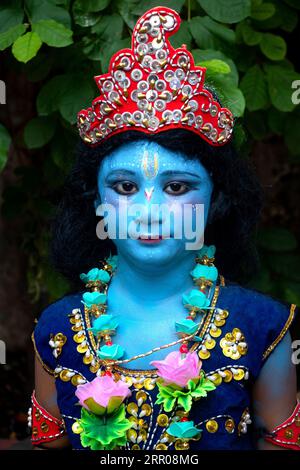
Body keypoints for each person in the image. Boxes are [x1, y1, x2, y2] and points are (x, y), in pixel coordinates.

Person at [29, 7, 299, 451]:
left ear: (216, 200)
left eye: (176, 186)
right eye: (124, 186)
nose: (148, 211)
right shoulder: (57, 329)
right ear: (98, 202)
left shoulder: (262, 326)